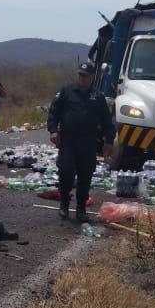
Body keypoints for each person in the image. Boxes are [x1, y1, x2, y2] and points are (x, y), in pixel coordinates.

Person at [47, 62, 115, 222]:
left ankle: (81, 208)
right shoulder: (67, 91)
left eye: (86, 76)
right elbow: (54, 111)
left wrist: (109, 141)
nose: (82, 79)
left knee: (85, 175)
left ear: (92, 77)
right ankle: (64, 204)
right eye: (80, 75)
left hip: (89, 141)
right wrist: (53, 130)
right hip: (68, 140)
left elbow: (106, 120)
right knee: (66, 172)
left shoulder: (97, 97)